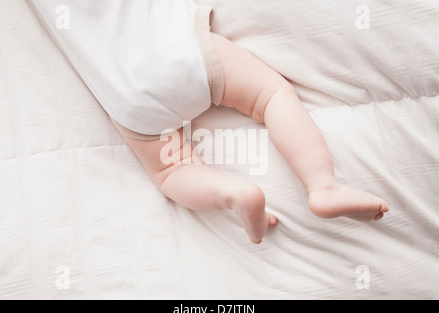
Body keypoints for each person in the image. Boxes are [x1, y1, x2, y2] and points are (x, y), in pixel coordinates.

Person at [30, 0, 389, 244]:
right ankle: (323, 186)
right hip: (180, 49)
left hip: (125, 91)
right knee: (270, 96)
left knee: (172, 172)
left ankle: (234, 194)